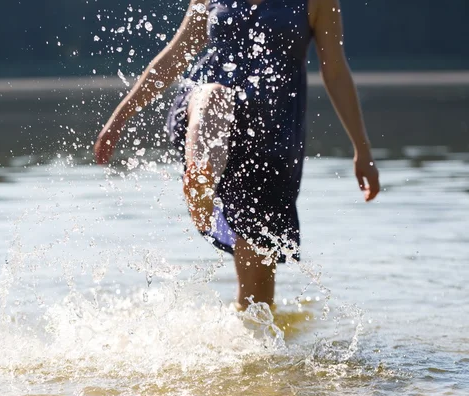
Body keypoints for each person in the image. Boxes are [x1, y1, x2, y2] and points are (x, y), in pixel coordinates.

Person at [94, 0, 380, 311]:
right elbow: (175, 57)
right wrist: (120, 117)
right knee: (214, 96)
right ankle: (200, 177)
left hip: (269, 142)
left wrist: (361, 149)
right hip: (205, 121)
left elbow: (335, 70)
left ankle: (251, 352)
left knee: (257, 303)